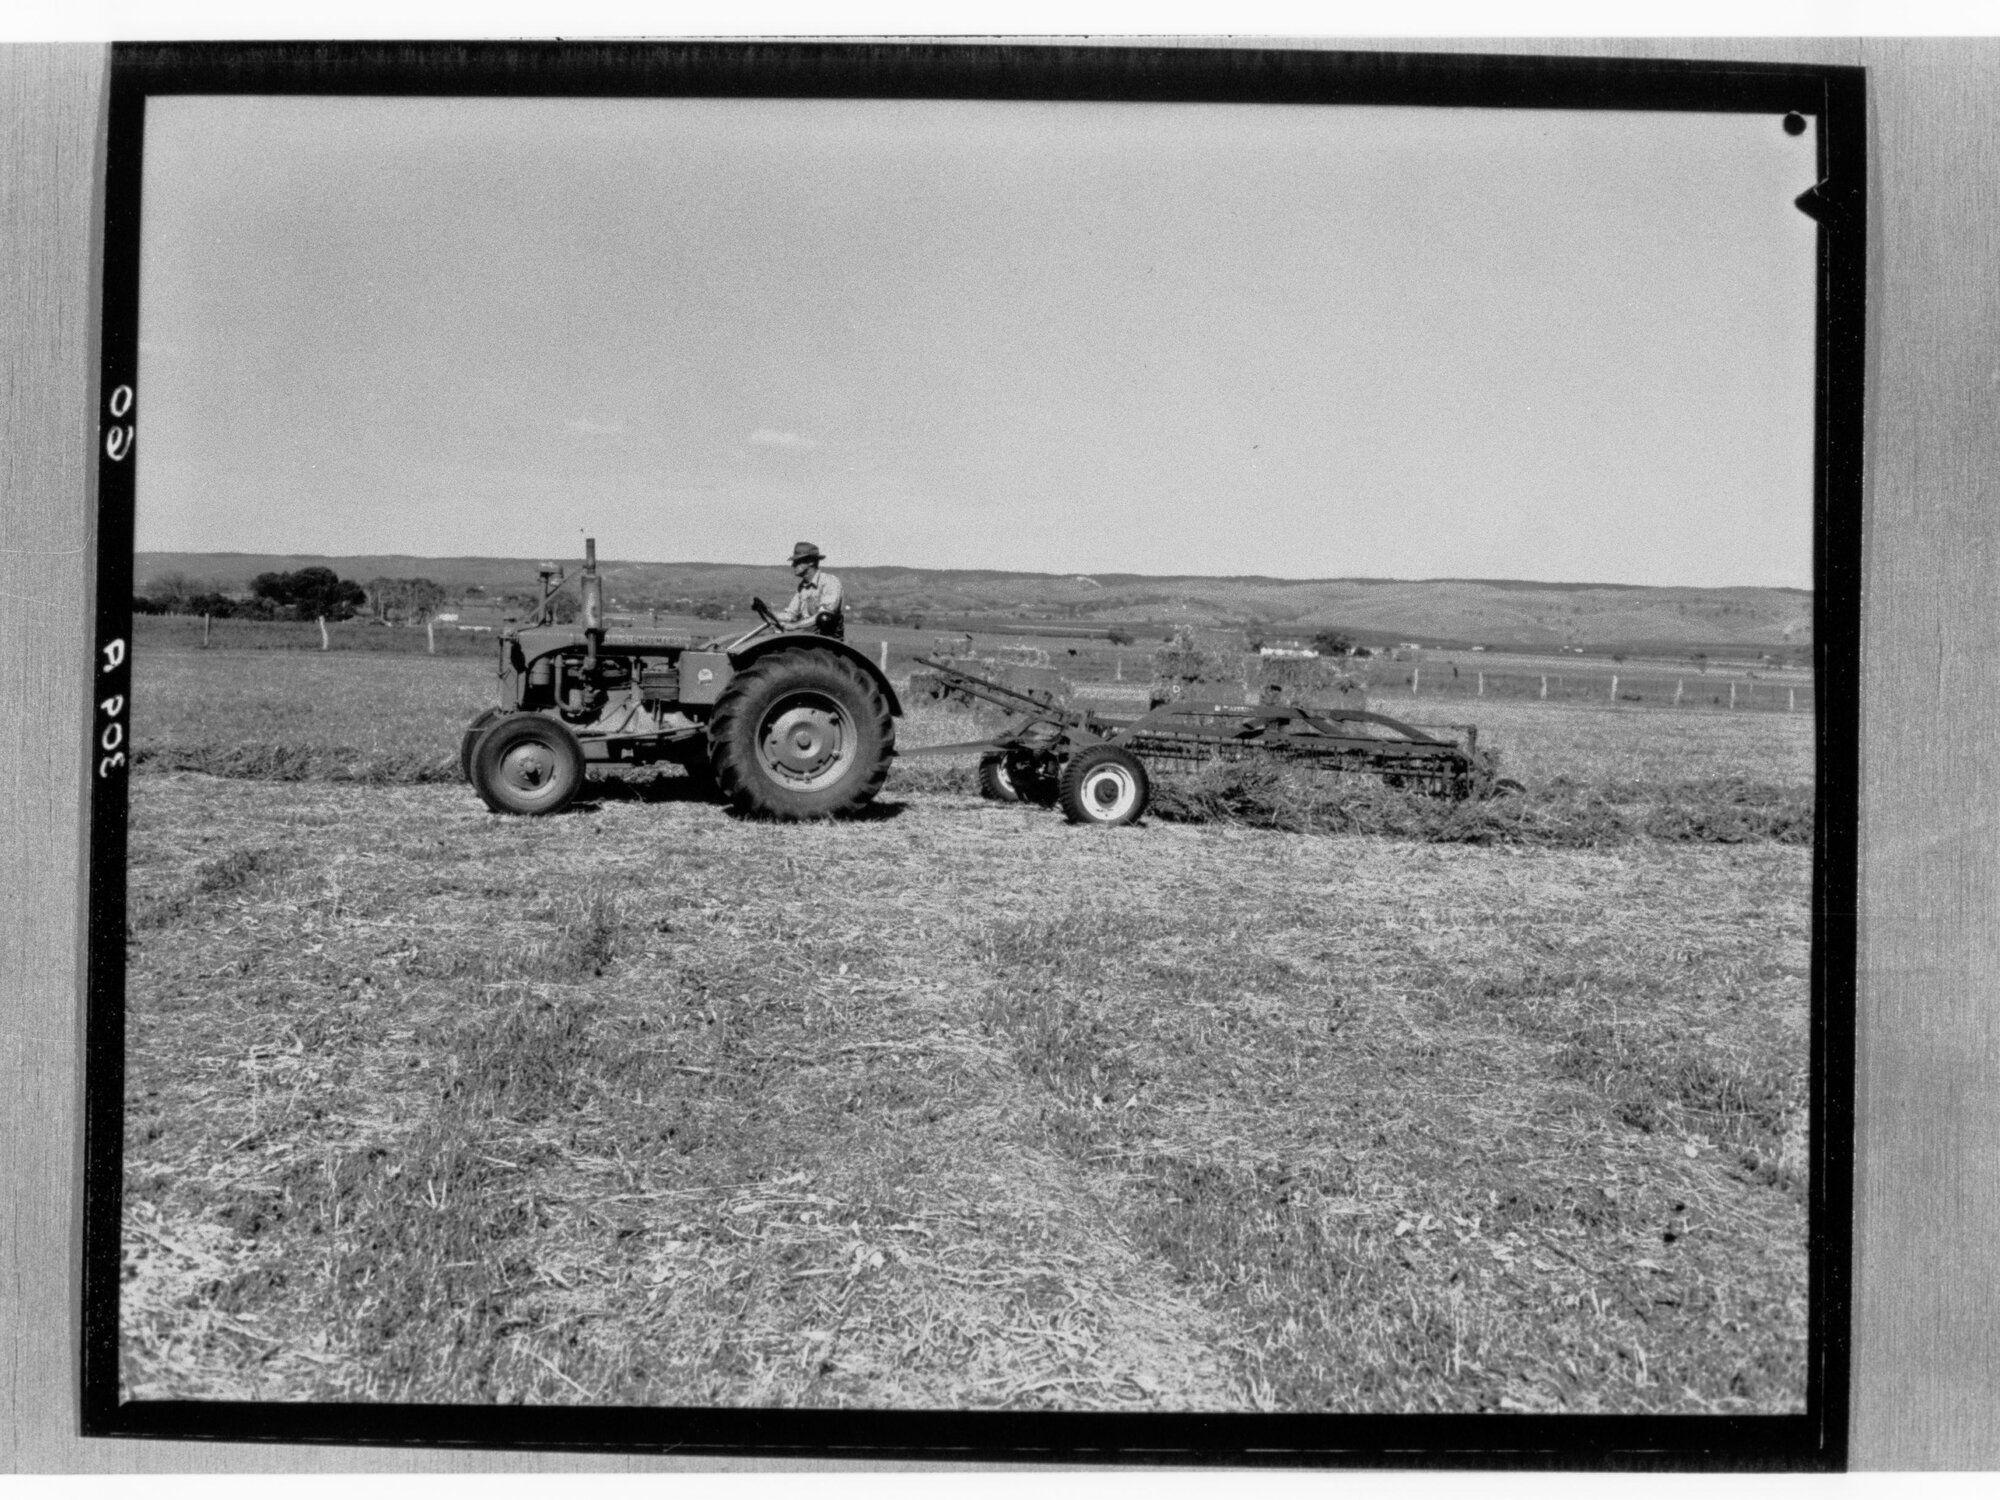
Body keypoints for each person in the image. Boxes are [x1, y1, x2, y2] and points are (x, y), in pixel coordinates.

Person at [772, 541, 844, 639]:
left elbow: (824, 614)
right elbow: (791, 614)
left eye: (798, 561)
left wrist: (795, 626)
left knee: (824, 618)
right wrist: (771, 614)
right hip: (809, 636)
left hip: (827, 638)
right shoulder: (802, 587)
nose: (793, 565)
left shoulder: (830, 582)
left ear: (811, 561)